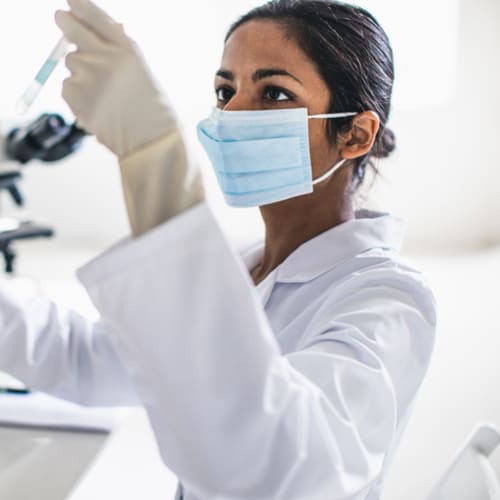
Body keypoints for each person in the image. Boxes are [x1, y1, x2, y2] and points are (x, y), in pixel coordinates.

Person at [0, 0, 437, 499]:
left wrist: (153, 156)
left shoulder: (387, 300)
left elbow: (275, 468)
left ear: (355, 135)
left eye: (274, 93)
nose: (233, 114)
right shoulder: (244, 267)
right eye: (224, 91)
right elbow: (85, 361)